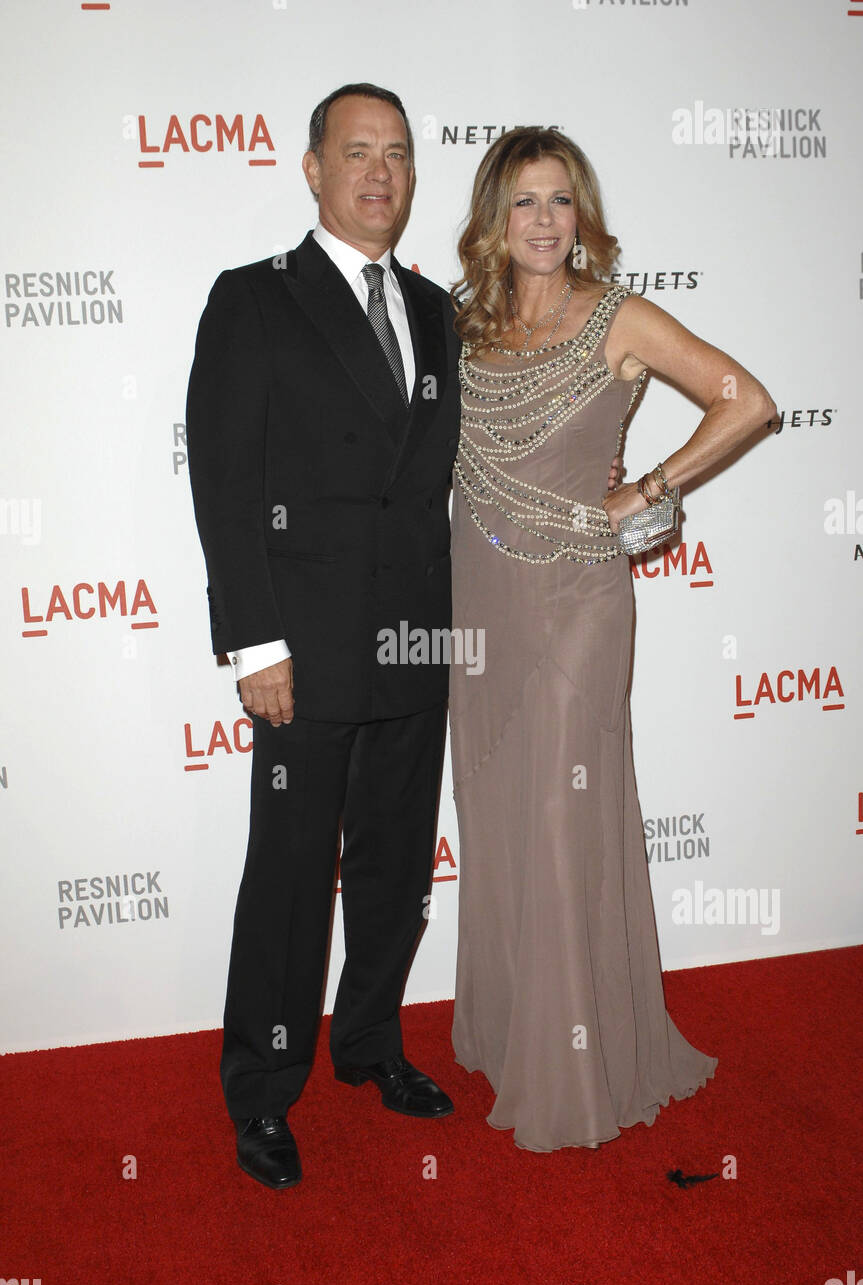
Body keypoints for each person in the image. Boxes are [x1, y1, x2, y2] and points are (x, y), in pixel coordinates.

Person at [448, 126, 776, 1153]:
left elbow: (746, 401)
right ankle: (513, 1029)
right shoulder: (466, 328)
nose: (543, 221)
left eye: (560, 201)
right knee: (497, 811)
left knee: (557, 814)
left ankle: (576, 1065)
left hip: (577, 599)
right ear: (494, 219)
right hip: (476, 596)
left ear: (580, 215)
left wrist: (645, 489)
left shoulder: (617, 317)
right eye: (523, 202)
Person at [185, 83, 464, 1190]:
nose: (379, 175)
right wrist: (256, 645)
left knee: (393, 872)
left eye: (395, 155)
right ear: (311, 168)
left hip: (412, 643)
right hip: (303, 652)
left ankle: (369, 1045)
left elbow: (440, 481)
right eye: (356, 153)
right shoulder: (254, 300)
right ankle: (261, 1089)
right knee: (294, 877)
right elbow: (223, 480)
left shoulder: (436, 308)